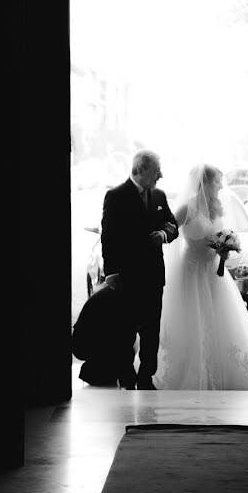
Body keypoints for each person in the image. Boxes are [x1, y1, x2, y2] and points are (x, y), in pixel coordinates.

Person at [154, 164, 248, 390]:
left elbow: (219, 234)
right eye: (217, 181)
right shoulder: (186, 208)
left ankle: (221, 371)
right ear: (205, 182)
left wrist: (224, 249)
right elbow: (170, 234)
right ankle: (190, 371)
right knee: (193, 320)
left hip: (214, 271)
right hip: (191, 271)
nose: (220, 185)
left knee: (219, 319)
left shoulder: (217, 207)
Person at [100, 149, 179, 389]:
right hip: (127, 276)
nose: (161, 175)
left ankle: (147, 376)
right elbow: (108, 237)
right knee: (125, 329)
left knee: (151, 329)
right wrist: (111, 272)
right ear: (139, 170)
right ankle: (126, 376)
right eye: (157, 171)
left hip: (154, 275)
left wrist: (164, 234)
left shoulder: (159, 196)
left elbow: (173, 224)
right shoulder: (115, 196)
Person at [71, 274, 137, 387]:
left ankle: (98, 371)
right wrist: (129, 380)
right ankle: (101, 372)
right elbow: (124, 340)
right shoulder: (118, 299)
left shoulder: (107, 294)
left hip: (82, 345)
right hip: (86, 345)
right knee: (123, 338)